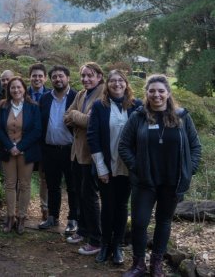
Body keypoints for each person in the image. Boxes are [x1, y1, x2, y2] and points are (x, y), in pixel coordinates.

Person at [119, 75, 201, 277]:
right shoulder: (138, 116)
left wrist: (189, 170)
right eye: (152, 91)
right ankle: (138, 264)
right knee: (139, 222)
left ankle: (156, 265)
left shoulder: (182, 117)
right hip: (145, 181)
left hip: (172, 182)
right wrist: (136, 166)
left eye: (161, 91)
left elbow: (195, 146)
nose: (156, 95)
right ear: (146, 93)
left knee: (164, 222)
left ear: (168, 93)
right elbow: (124, 145)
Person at [87, 69, 142, 264]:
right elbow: (92, 138)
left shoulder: (137, 106)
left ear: (126, 84)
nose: (117, 84)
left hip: (128, 167)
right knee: (108, 207)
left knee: (121, 207)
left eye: (121, 81)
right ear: (107, 85)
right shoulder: (99, 106)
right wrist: (101, 167)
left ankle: (117, 246)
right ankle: (105, 245)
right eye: (113, 81)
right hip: (106, 167)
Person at [63, 62, 104, 255]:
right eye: (83, 76)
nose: (86, 79)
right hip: (77, 153)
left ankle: (96, 239)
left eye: (90, 75)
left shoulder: (103, 94)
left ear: (99, 76)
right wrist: (76, 116)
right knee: (79, 194)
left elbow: (89, 121)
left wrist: (75, 115)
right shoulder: (80, 94)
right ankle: (83, 230)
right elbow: (66, 117)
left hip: (91, 155)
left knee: (89, 197)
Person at [0, 77, 41, 234]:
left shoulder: (33, 107)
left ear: (24, 89)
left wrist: (20, 146)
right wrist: (10, 147)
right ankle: (10, 217)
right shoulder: (3, 106)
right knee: (9, 184)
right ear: (9, 90)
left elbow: (37, 130)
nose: (16, 90)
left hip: (26, 151)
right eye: (12, 88)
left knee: (24, 184)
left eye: (19, 87)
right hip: (8, 151)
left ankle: (22, 217)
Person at [38, 65, 78, 235]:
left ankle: (73, 219)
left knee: (72, 186)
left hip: (70, 149)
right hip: (50, 149)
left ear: (67, 77)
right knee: (52, 185)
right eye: (54, 77)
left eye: (61, 76)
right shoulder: (45, 98)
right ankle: (53, 216)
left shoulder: (77, 97)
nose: (58, 79)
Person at [28, 63, 49, 221]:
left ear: (45, 78)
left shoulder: (51, 94)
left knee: (44, 177)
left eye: (40, 76)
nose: (37, 78)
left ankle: (45, 208)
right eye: (34, 75)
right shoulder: (22, 93)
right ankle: (23, 209)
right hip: (26, 142)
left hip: (45, 142)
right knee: (25, 177)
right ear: (29, 77)